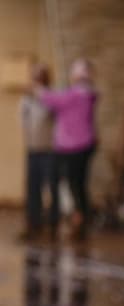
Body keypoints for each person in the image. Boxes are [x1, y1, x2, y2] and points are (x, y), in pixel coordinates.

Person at [38, 58, 97, 237]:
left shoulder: (78, 95)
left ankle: (79, 216)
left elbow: (53, 99)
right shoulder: (83, 94)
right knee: (77, 183)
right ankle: (79, 215)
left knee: (74, 182)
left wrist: (40, 89)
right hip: (77, 145)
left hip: (75, 146)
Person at [20, 62, 56, 238]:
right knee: (32, 187)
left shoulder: (51, 97)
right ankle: (33, 222)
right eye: (35, 77)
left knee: (51, 186)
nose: (37, 81)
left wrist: (42, 95)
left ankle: (52, 224)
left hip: (49, 149)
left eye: (40, 77)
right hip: (33, 149)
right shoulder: (27, 100)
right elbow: (24, 122)